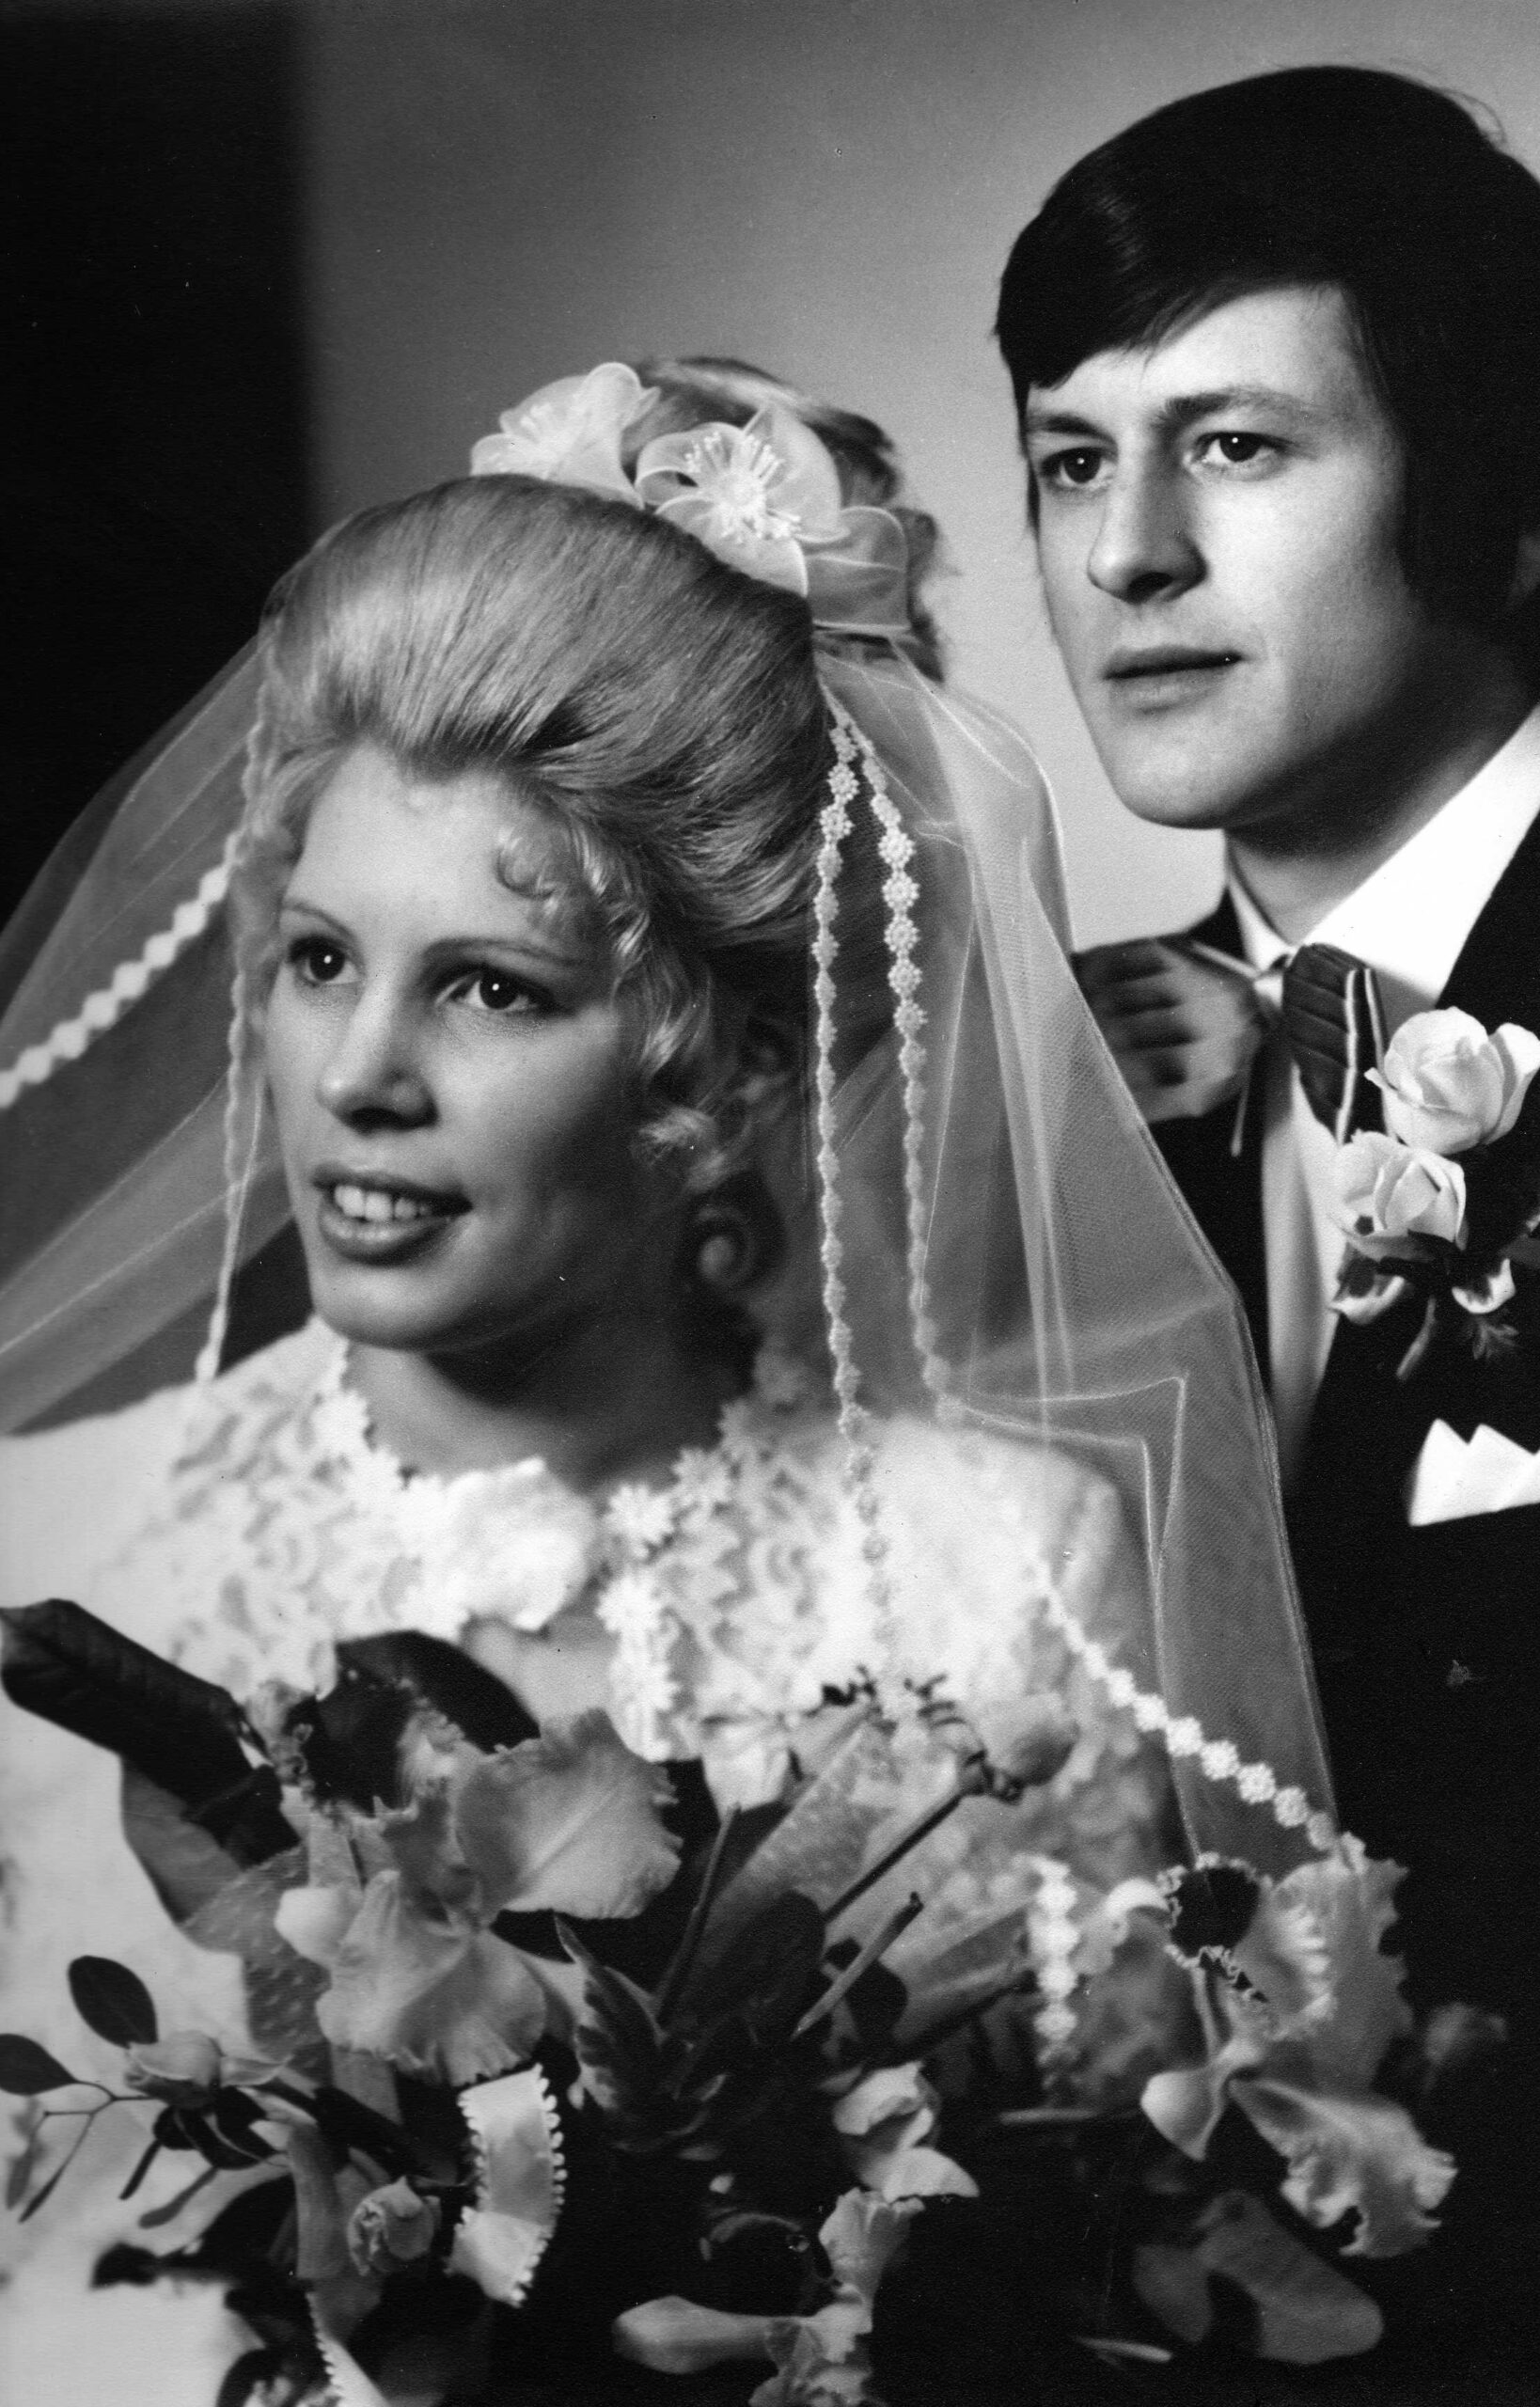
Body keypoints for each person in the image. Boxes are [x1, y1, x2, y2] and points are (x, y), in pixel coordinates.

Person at [0, 362, 1360, 2400]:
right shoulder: (46, 1540)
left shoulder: (1007, 1570)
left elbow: (1094, 2275)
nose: (357, 1074)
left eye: (489, 986)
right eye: (319, 958)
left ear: (726, 1070)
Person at [998, 63, 1540, 2389]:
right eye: (1071, 460)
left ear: (1515, 506)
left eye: (1235, 445)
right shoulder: (1046, 1093)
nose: (1125, 557)